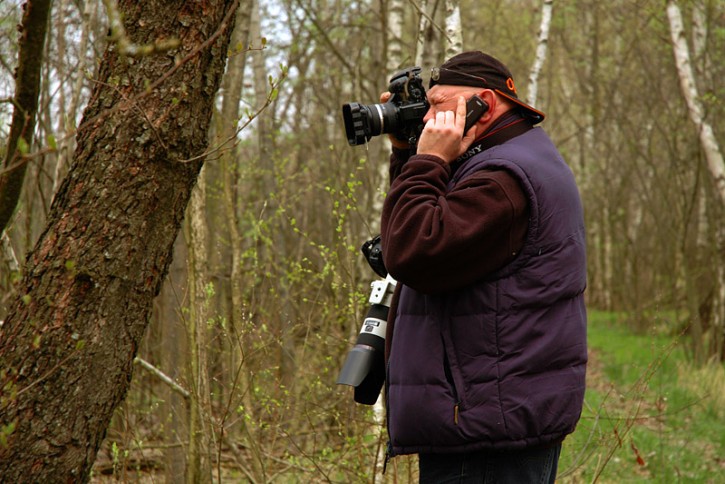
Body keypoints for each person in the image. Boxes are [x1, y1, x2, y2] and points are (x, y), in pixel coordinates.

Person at [379, 51, 587, 483]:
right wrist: (407, 152)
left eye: (440, 104)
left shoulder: (501, 181)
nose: (429, 117)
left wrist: (429, 160)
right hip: (493, 412)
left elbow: (413, 250)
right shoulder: (513, 156)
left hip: (485, 428)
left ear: (485, 105)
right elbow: (429, 219)